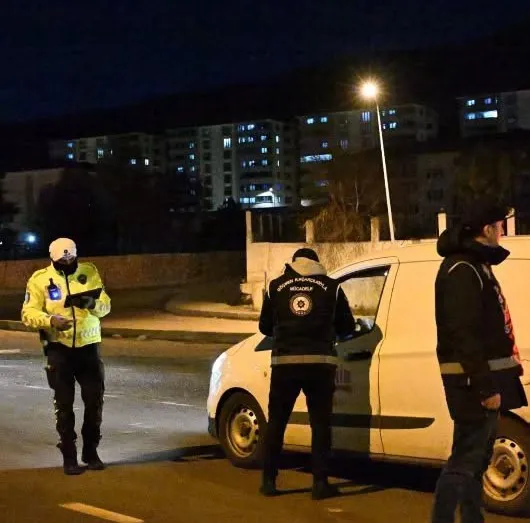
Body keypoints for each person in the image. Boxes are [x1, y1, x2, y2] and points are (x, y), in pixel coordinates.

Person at [432, 200, 527, 523]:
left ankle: (472, 518)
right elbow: (464, 334)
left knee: (476, 460)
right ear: (487, 230)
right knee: (464, 461)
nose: (502, 233)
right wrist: (485, 387)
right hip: (471, 384)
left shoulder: (476, 265)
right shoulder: (462, 270)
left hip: (481, 379)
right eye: (499, 227)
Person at [258, 247, 356, 500]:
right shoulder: (332, 287)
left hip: (284, 364)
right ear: (316, 263)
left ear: (293, 263)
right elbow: (347, 326)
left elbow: (265, 327)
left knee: (276, 423)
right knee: (320, 425)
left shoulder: (275, 287)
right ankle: (320, 483)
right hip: (320, 364)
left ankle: (268, 481)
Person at [21, 238, 111, 475]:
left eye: (71, 257)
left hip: (89, 348)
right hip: (59, 349)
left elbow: (105, 306)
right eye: (63, 259)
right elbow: (28, 313)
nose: (68, 262)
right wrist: (50, 320)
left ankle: (90, 452)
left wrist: (92, 303)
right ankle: (69, 456)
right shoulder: (40, 279)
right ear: (53, 258)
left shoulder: (89, 272)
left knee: (94, 402)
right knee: (64, 404)